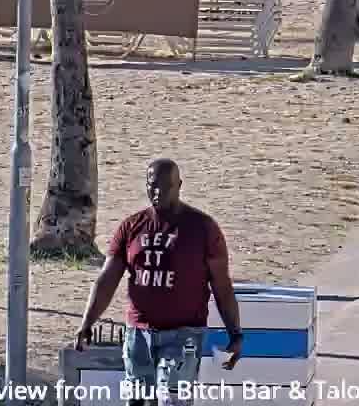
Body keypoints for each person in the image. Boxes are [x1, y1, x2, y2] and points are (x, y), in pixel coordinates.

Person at [75, 159, 244, 406]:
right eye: (152, 185)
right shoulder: (131, 227)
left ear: (179, 185)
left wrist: (235, 333)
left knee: (171, 401)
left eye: (166, 186)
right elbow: (107, 279)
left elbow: (221, 286)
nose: (158, 192)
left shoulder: (203, 229)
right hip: (138, 333)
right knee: (138, 401)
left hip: (183, 334)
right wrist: (87, 322)